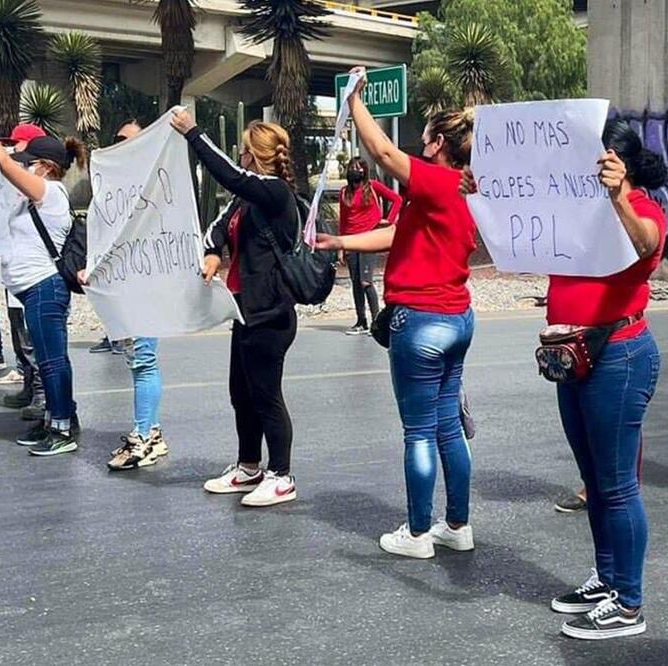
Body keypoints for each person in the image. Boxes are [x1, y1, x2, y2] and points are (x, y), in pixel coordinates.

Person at [466, 120, 668, 640]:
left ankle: (629, 602)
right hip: (573, 355)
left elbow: (648, 246)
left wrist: (620, 193)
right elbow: (519, 241)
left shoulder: (642, 205)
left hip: (619, 356)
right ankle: (607, 579)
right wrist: (483, 200)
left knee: (618, 485)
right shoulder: (569, 211)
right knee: (597, 482)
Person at [316, 67, 478, 559]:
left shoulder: (435, 182)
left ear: (435, 145)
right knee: (448, 426)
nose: (418, 144)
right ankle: (457, 525)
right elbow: (395, 235)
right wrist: (341, 239)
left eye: (424, 137)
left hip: (420, 319)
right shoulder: (463, 193)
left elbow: (383, 153)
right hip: (458, 318)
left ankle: (417, 532)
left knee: (419, 431)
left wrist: (353, 99)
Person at [171, 111, 300, 507]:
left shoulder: (276, 193)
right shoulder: (246, 200)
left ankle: (281, 475)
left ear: (252, 156)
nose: (239, 158)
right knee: (240, 395)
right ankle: (249, 467)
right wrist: (212, 253)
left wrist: (194, 134)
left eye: (243, 152)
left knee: (266, 395)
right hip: (242, 310)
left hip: (272, 313)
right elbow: (216, 228)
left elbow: (229, 176)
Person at [0, 135, 86, 456]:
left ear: (46, 168)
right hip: (31, 289)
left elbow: (5, 165)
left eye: (31, 163)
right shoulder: (29, 200)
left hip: (44, 287)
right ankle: (58, 418)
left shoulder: (53, 193)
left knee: (51, 360)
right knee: (50, 360)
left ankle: (61, 428)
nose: (26, 168)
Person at [94, 120, 170, 471]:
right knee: (135, 360)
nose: (123, 145)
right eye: (118, 139)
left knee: (143, 360)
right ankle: (150, 432)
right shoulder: (113, 185)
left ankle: (143, 436)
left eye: (131, 140)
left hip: (147, 284)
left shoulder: (158, 185)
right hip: (123, 285)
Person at [0, 124, 47, 409]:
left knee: (35, 339)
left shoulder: (39, 186)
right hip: (16, 272)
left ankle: (42, 395)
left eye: (16, 144)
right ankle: (30, 385)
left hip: (36, 276)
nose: (11, 149)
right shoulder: (16, 182)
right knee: (20, 335)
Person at [339, 157, 401, 335]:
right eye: (352, 167)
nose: (356, 170)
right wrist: (341, 247)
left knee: (366, 281)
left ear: (365, 171)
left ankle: (376, 321)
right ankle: (361, 321)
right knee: (356, 284)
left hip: (370, 238)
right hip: (351, 241)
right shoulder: (344, 192)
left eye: (359, 168)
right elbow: (344, 220)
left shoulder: (373, 186)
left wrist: (388, 221)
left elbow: (397, 199)